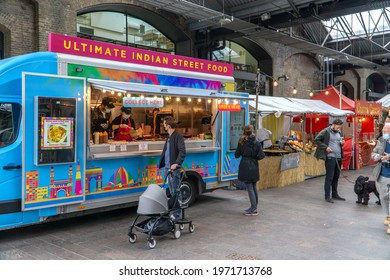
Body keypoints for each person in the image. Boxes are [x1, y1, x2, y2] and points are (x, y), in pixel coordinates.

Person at [159, 116, 186, 220]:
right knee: (171, 191)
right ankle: (173, 212)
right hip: (167, 168)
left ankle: (177, 214)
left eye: (164, 124)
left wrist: (176, 163)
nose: (163, 125)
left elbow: (182, 151)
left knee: (175, 191)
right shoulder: (169, 137)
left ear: (168, 126)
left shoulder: (177, 136)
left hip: (174, 169)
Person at [234, 125, 265, 216]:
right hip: (254, 165)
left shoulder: (241, 142)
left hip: (245, 165)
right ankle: (255, 206)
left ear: (244, 131)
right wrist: (255, 157)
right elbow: (262, 155)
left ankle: (253, 208)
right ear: (252, 131)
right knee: (254, 186)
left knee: (250, 188)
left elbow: (236, 155)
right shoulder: (257, 142)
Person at [314, 118, 346, 203]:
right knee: (330, 177)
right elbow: (316, 139)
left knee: (336, 177)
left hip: (338, 156)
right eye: (338, 127)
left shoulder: (338, 133)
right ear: (333, 125)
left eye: (340, 127)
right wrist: (326, 147)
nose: (339, 129)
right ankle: (327, 196)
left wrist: (341, 143)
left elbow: (338, 143)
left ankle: (335, 194)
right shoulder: (326, 131)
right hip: (330, 157)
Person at [371, 123, 390, 234]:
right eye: (383, 131)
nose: (385, 134)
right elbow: (374, 151)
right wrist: (375, 156)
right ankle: (388, 216)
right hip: (382, 173)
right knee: (383, 197)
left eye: (387, 131)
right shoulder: (381, 140)